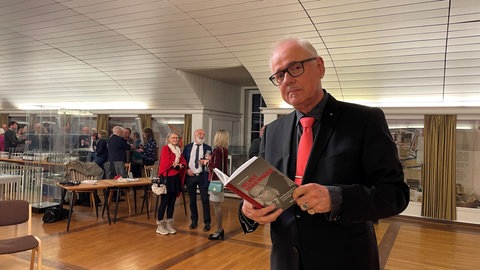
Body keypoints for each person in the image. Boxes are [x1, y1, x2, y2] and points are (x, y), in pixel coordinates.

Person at [239, 38, 410, 270]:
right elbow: (265, 193)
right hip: (285, 262)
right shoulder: (273, 132)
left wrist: (337, 199)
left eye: (295, 68)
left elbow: (395, 195)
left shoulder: (364, 121)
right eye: (279, 76)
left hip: (345, 261)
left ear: (319, 67)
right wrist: (249, 209)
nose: (287, 79)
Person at [155, 130, 186, 235]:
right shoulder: (165, 148)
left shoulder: (178, 149)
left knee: (172, 201)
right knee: (164, 201)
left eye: (176, 138)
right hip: (167, 178)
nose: (175, 139)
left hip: (175, 178)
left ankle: (169, 223)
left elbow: (183, 161)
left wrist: (180, 165)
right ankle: (159, 225)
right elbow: (166, 162)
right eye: (173, 138)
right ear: (168, 139)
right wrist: (178, 165)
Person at [182, 129, 212, 232]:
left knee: (205, 200)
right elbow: (183, 161)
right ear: (195, 135)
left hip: (202, 176)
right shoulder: (187, 147)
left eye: (204, 134)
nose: (202, 135)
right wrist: (186, 170)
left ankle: (207, 223)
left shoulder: (208, 148)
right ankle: (194, 221)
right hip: (190, 176)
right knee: (192, 200)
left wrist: (208, 160)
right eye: (200, 134)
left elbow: (210, 162)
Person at [207, 129, 229, 240]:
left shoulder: (217, 150)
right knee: (216, 205)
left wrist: (207, 162)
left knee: (216, 205)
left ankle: (219, 230)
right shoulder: (225, 150)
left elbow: (215, 166)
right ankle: (219, 230)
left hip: (216, 180)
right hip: (220, 180)